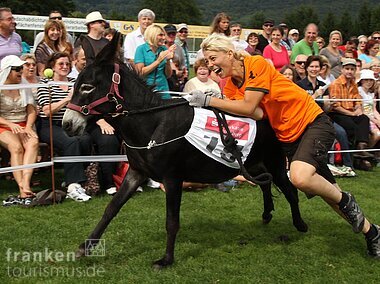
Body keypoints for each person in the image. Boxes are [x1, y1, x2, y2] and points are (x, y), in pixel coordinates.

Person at [186, 34, 380, 258]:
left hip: (311, 122)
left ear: (229, 53)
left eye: (212, 58)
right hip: (288, 136)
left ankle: (347, 199)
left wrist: (209, 101)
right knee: (331, 195)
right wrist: (222, 102)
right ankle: (372, 232)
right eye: (206, 62)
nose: (210, 65)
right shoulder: (228, 85)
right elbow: (257, 112)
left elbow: (248, 106)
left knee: (300, 178)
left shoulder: (255, 63)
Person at [36, 52, 92, 202]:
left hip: (71, 123)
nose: (65, 67)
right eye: (61, 64)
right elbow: (46, 111)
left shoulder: (74, 82)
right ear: (52, 67)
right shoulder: (45, 83)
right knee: (71, 142)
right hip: (49, 125)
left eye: (67, 64)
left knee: (86, 140)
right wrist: (67, 98)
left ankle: (74, 178)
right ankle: (73, 186)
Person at [0, 55, 39, 202]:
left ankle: (26, 184)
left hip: (23, 124)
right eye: (16, 69)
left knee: (33, 142)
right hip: (3, 125)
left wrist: (28, 127)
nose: (20, 72)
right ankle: (22, 186)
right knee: (16, 147)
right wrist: (9, 124)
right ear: (7, 71)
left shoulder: (23, 85)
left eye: (20, 68)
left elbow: (31, 110)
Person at [328, 58, 374, 169]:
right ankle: (354, 156)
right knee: (351, 126)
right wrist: (352, 114)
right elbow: (336, 106)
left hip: (351, 112)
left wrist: (358, 108)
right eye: (347, 69)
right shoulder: (336, 84)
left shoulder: (353, 84)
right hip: (338, 114)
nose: (349, 71)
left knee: (364, 119)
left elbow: (357, 99)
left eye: (352, 69)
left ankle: (361, 148)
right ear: (342, 69)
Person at [134, 24, 174, 99]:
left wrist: (168, 60)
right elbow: (140, 72)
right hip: (146, 91)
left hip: (163, 91)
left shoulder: (164, 49)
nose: (164, 38)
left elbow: (168, 75)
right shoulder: (141, 49)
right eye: (160, 35)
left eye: (164, 35)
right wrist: (158, 61)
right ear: (152, 35)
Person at [357, 69, 380, 148]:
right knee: (377, 134)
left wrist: (379, 119)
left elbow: (374, 110)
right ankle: (365, 152)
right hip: (365, 118)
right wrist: (376, 121)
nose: (369, 82)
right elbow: (362, 110)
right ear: (361, 81)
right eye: (366, 80)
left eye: (371, 80)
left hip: (372, 117)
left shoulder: (371, 94)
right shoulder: (358, 92)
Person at [164, 24, 187, 92]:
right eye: (169, 33)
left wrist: (183, 73)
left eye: (173, 33)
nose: (171, 35)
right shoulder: (160, 48)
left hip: (176, 80)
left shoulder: (179, 48)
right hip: (164, 79)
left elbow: (183, 65)